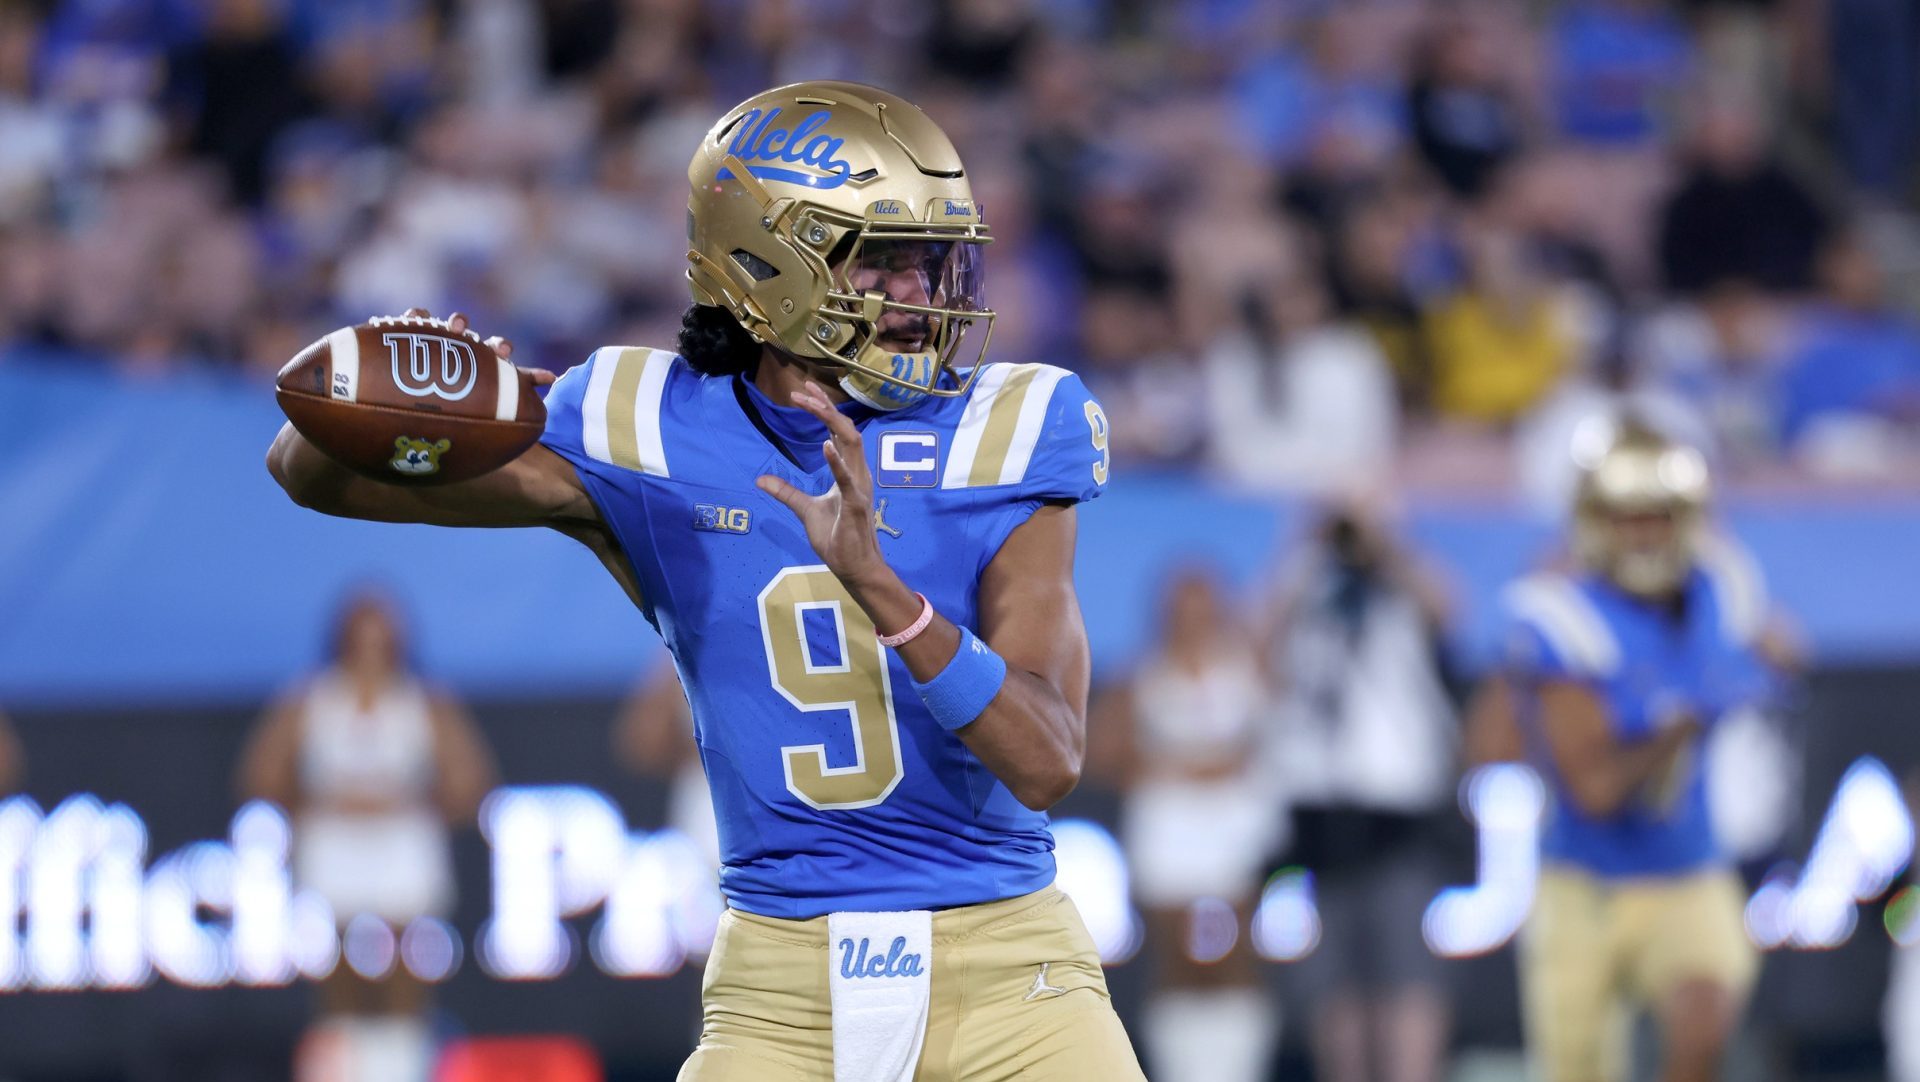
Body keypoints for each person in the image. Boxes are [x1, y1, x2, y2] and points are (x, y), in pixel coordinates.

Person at [266, 81, 1143, 1081]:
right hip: (779, 989)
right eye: (883, 258)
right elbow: (316, 476)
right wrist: (402, 395)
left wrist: (883, 592)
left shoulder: (1013, 426)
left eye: (933, 258)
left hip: (1011, 975)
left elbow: (1047, 758)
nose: (922, 294)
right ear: (763, 265)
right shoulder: (645, 425)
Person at [1496, 419, 1780, 1082]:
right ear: (1594, 523)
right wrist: (1685, 723)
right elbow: (1595, 791)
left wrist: (1753, 662)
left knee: (1705, 1015)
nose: (1645, 536)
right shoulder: (1565, 618)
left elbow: (1785, 653)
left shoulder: (1718, 589)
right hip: (1586, 885)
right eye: (1627, 519)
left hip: (1689, 872)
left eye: (1660, 517)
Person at [239, 590, 497, 1082]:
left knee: (405, 962)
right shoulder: (312, 697)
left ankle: (402, 1066)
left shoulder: (422, 699)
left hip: (402, 848)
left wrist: (406, 802)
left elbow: (471, 781)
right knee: (336, 963)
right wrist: (324, 803)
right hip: (334, 848)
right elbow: (260, 775)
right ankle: (340, 1066)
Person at [1265, 502, 1458, 1082]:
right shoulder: (1309, 599)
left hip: (1395, 809)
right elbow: (1258, 638)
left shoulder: (1401, 598)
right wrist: (1306, 546)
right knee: (1333, 985)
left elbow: (1446, 607)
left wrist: (1384, 540)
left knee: (1407, 976)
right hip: (1320, 811)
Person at [1101, 568, 1280, 1082]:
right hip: (1170, 837)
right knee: (1177, 961)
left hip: (1238, 837)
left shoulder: (1252, 667)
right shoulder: (1141, 674)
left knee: (1237, 958)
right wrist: (1182, 767)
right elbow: (1105, 752)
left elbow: (1280, 737)